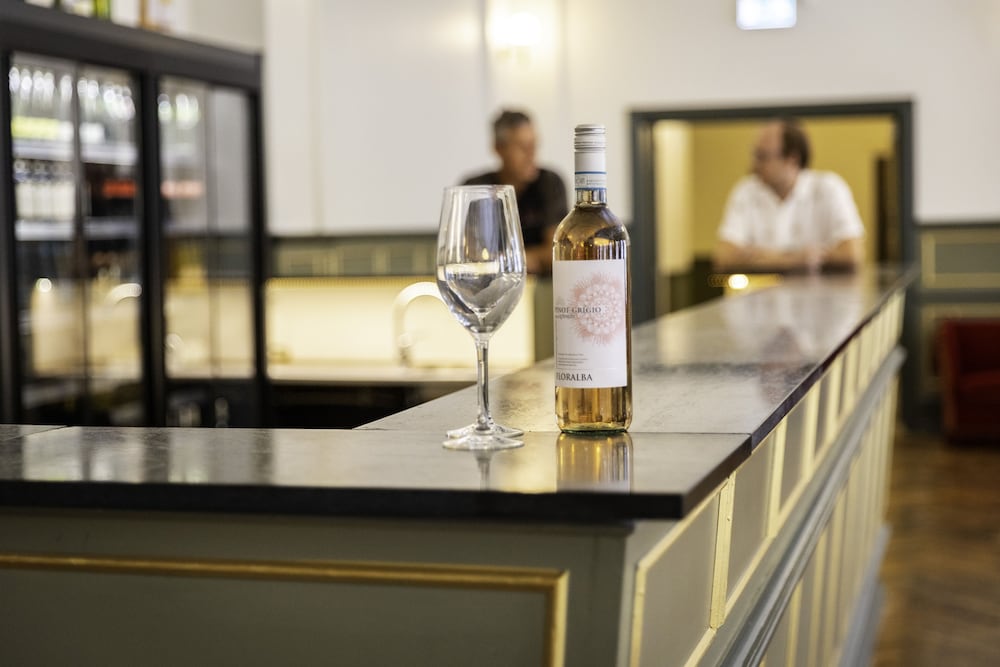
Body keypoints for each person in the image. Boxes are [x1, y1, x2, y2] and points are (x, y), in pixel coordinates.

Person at [713, 118, 864, 273]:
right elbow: (724, 258)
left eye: (762, 156)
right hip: (764, 289)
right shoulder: (746, 191)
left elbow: (852, 255)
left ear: (792, 160)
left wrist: (759, 256)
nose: (754, 165)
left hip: (821, 289)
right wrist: (797, 259)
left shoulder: (828, 189)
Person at [462, 110, 568, 275]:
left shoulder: (550, 183)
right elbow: (471, 255)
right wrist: (529, 259)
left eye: (534, 145)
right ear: (499, 148)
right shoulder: (476, 188)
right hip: (489, 286)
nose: (531, 155)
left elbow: (557, 251)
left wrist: (501, 262)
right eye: (522, 147)